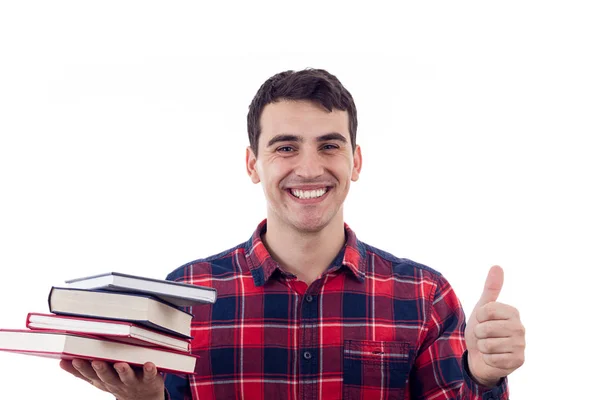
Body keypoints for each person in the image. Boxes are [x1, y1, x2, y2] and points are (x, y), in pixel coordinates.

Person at [60, 68, 526, 399]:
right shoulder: (186, 295)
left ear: (355, 162)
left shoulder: (423, 295)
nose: (309, 168)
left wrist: (482, 378)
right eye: (286, 147)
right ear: (252, 164)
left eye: (329, 145)